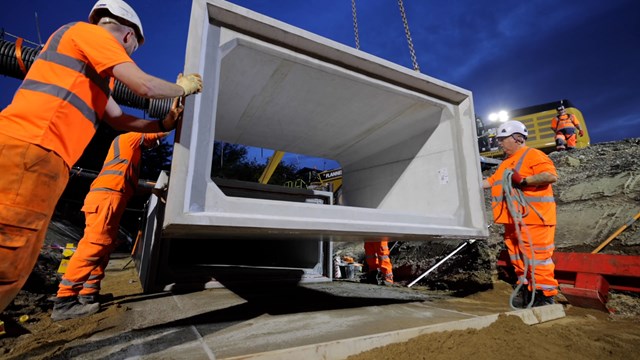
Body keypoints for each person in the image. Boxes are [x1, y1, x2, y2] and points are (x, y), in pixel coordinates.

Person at [0, 0, 203, 314]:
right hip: (30, 151)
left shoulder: (92, 73)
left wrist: (163, 124)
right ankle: (66, 301)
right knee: (6, 257)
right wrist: (181, 89)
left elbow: (118, 118)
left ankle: (78, 297)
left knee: (15, 260)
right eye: (132, 49)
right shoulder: (91, 35)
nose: (128, 56)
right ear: (126, 37)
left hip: (40, 158)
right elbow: (145, 86)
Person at [52, 120, 179, 320]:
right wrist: (177, 118)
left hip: (107, 197)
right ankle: (65, 300)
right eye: (151, 141)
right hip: (107, 198)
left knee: (102, 247)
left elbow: (129, 183)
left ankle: (88, 293)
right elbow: (158, 131)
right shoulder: (130, 138)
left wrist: (153, 189)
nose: (154, 145)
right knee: (94, 246)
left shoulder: (131, 154)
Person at [482, 120, 559, 308]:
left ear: (517, 138)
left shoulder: (533, 155)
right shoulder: (505, 164)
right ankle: (526, 289)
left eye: (502, 139)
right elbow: (490, 182)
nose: (499, 143)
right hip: (513, 221)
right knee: (517, 258)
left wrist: (524, 181)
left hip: (534, 220)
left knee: (537, 258)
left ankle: (543, 295)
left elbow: (550, 176)